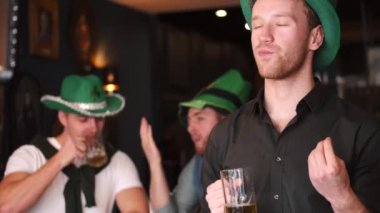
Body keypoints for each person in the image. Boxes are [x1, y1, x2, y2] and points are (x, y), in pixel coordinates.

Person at [202, 0, 380, 212]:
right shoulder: (223, 137)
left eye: (281, 24)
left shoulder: (363, 132)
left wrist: (341, 196)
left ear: (315, 37)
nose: (264, 36)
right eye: (257, 25)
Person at [0, 74, 149, 212]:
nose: (94, 128)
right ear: (63, 118)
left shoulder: (117, 161)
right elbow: (5, 207)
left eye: (99, 119)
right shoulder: (30, 155)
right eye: (83, 119)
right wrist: (59, 160)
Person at [139, 69, 252, 212]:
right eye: (189, 121)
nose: (190, 128)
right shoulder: (199, 164)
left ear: (227, 121)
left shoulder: (256, 155)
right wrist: (154, 161)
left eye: (200, 118)